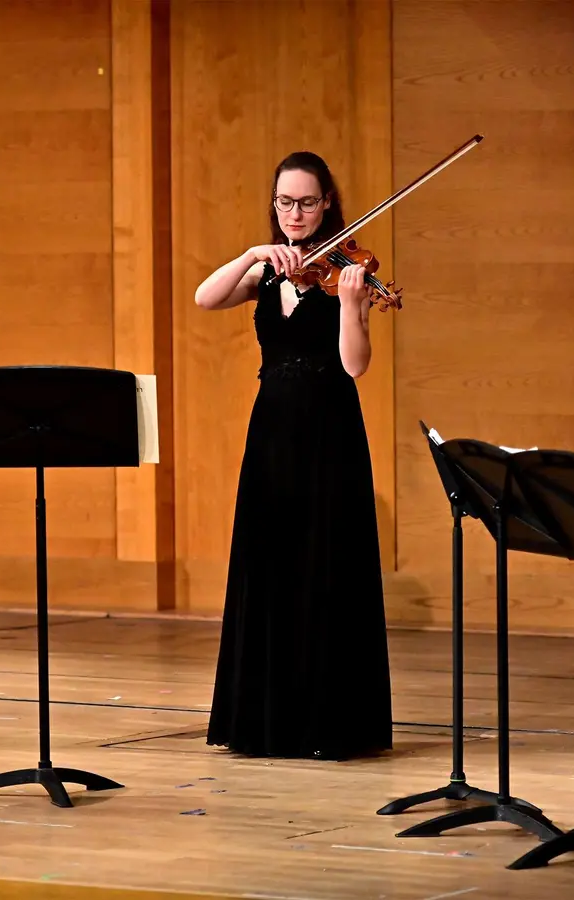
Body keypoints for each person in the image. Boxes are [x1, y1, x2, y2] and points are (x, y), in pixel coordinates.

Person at [193, 151, 393, 760]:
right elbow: (205, 297)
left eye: (307, 202)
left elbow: (354, 365)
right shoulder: (269, 273)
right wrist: (255, 253)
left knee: (324, 563)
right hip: (272, 427)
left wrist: (354, 304)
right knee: (271, 559)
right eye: (285, 202)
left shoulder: (346, 272)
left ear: (327, 202)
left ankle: (328, 724)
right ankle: (267, 721)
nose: (296, 213)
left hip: (329, 430)